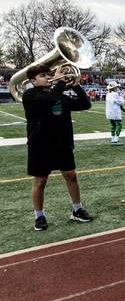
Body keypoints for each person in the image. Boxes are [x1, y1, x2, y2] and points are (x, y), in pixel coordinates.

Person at [23, 64, 93, 231]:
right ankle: (39, 216)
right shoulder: (30, 94)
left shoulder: (59, 95)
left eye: (48, 74)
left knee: (71, 176)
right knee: (40, 181)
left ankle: (77, 210)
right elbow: (48, 101)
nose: (48, 77)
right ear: (33, 81)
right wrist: (61, 82)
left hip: (62, 143)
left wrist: (76, 86)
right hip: (40, 145)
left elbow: (85, 104)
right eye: (42, 75)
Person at [105, 81, 125, 145]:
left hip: (109, 112)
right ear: (114, 87)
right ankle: (116, 139)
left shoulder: (108, 94)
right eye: (116, 87)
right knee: (119, 125)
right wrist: (122, 96)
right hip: (115, 111)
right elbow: (121, 102)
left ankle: (113, 139)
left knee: (113, 125)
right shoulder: (115, 94)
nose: (117, 88)